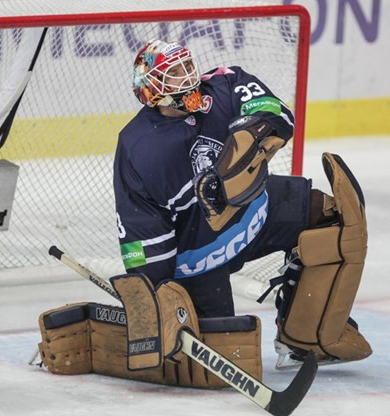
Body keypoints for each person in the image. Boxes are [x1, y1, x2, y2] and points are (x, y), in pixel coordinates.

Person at [113, 39, 372, 368]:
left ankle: (302, 340)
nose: (188, 75)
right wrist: (155, 291)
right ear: (151, 86)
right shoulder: (137, 145)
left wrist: (254, 129)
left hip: (255, 209)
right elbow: (141, 224)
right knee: (219, 360)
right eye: (174, 72)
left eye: (188, 65)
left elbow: (276, 113)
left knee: (333, 219)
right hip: (200, 256)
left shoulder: (226, 83)